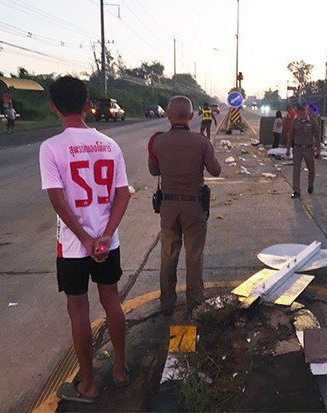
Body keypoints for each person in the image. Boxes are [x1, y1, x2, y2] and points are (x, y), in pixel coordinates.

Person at [39, 76, 131, 403]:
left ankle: (89, 385)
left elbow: (58, 200)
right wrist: (105, 235)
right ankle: (120, 370)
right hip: (109, 245)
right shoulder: (111, 145)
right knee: (112, 302)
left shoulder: (51, 148)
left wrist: (86, 240)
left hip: (74, 246)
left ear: (53, 106)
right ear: (88, 104)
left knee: (78, 311)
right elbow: (123, 195)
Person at [148, 96, 222, 316]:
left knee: (168, 255)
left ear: (168, 115)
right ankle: (195, 303)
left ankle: (167, 303)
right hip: (194, 207)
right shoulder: (201, 142)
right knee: (194, 255)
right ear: (192, 116)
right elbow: (216, 170)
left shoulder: (158, 142)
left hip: (168, 207)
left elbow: (154, 171)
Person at [286, 104, 320, 199]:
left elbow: (317, 136)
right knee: (296, 170)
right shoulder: (295, 121)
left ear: (306, 111)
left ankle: (310, 185)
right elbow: (291, 136)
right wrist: (288, 148)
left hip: (309, 149)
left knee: (311, 169)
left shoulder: (313, 121)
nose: (302, 115)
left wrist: (318, 150)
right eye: (300, 113)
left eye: (304, 112)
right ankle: (296, 191)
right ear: (298, 112)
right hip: (297, 149)